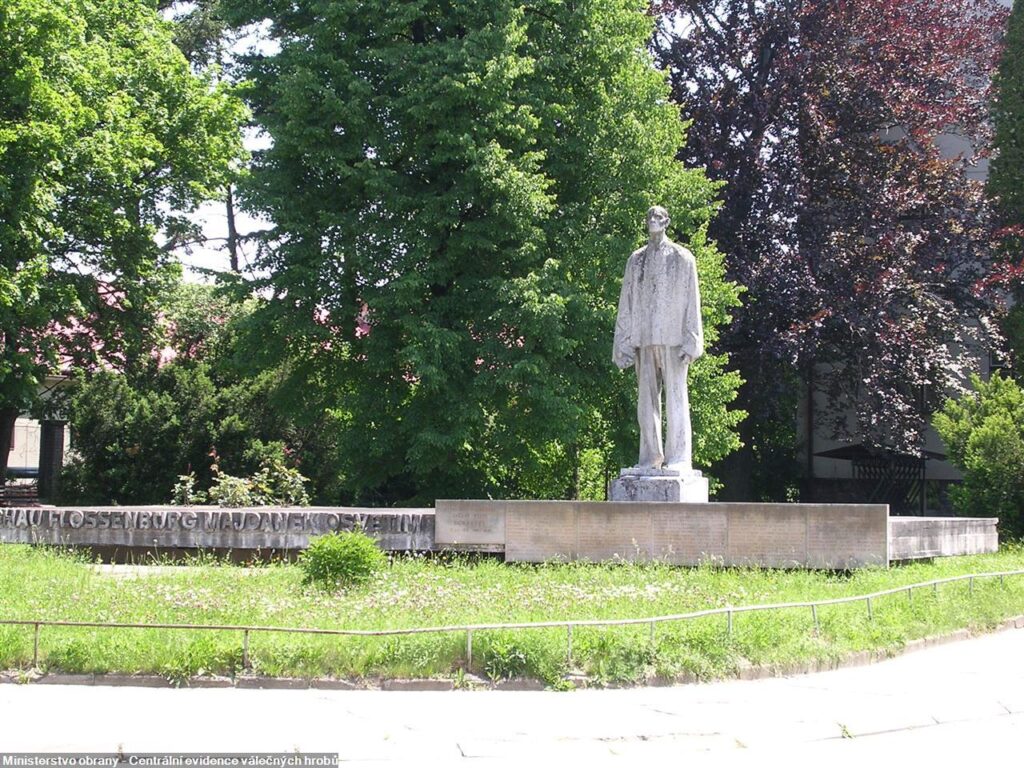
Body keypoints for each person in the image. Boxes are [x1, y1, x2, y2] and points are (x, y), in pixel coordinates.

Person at [613, 205, 703, 471]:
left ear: (667, 222)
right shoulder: (635, 260)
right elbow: (626, 301)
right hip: (645, 336)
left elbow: (692, 300)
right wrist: (623, 341)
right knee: (646, 403)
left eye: (658, 217)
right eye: (650, 217)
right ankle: (649, 459)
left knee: (677, 398)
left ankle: (679, 459)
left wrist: (693, 340)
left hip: (675, 338)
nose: (653, 220)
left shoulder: (683, 258)